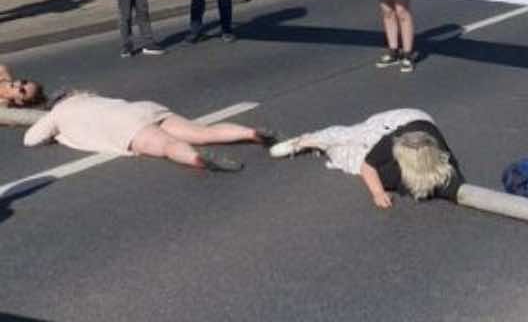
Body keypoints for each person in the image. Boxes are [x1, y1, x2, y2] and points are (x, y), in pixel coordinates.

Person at [24, 91, 273, 171]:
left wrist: (53, 129)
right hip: (140, 109)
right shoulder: (86, 96)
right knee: (202, 131)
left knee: (166, 146)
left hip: (122, 128)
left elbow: (31, 140)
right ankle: (250, 133)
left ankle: (197, 158)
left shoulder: (56, 114)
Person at [268, 108, 463, 209]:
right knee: (351, 149)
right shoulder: (393, 143)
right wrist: (378, 193)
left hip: (416, 122)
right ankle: (305, 141)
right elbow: (367, 165)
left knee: (371, 168)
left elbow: (456, 183)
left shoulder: (441, 154)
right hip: (390, 123)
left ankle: (315, 143)